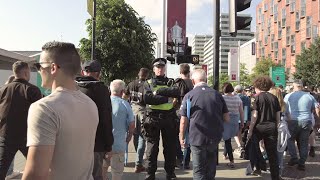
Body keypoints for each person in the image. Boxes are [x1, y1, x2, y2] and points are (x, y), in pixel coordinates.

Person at [22, 41, 99, 180]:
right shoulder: (91, 104)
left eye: (39, 66)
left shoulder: (44, 108)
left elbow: (36, 174)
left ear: (53, 68)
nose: (39, 71)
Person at [179, 69, 229, 180]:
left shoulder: (189, 96)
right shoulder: (217, 95)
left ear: (193, 81)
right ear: (206, 80)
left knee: (198, 170)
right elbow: (227, 118)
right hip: (214, 137)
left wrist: (181, 136)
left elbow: (183, 120)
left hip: (196, 137)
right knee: (210, 170)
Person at [0, 61, 42, 179]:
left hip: (5, 136)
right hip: (27, 138)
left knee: (1, 170)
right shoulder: (33, 90)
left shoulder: (3, 89)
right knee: (37, 168)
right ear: (25, 72)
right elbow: (39, 116)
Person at [75, 60, 114, 180]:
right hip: (96, 143)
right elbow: (106, 119)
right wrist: (109, 145)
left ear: (83, 72)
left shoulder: (73, 88)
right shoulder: (102, 90)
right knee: (95, 175)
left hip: (74, 143)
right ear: (99, 74)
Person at [142, 58, 180, 180]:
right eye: (157, 67)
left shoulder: (170, 81)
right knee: (152, 149)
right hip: (153, 118)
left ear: (165, 68)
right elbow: (148, 99)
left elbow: (176, 91)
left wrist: (158, 91)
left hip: (169, 118)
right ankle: (150, 174)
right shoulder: (148, 82)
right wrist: (167, 98)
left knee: (170, 148)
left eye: (162, 67)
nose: (160, 69)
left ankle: (170, 173)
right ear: (153, 69)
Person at [248, 76, 281, 179]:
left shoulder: (256, 98)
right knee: (272, 154)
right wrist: (277, 126)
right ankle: (275, 176)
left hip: (259, 127)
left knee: (255, 148)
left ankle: (259, 166)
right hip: (271, 127)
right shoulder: (274, 98)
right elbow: (278, 115)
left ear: (257, 86)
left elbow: (255, 115)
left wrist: (250, 129)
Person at [284, 79, 320, 171]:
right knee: (304, 142)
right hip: (306, 120)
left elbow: (284, 109)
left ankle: (294, 157)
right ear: (302, 86)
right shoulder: (309, 97)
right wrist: (317, 120)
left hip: (292, 120)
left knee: (290, 139)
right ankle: (302, 163)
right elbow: (316, 109)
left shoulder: (288, 96)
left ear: (294, 86)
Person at [103, 80, 135, 180]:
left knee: (102, 170)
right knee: (117, 172)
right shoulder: (125, 105)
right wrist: (129, 136)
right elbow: (132, 124)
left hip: (103, 145)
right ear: (122, 92)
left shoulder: (103, 103)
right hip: (118, 144)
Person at [124, 68, 150, 173]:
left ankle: (138, 157)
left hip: (132, 111)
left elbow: (125, 97)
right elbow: (149, 100)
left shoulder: (131, 84)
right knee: (142, 137)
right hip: (142, 112)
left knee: (135, 135)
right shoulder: (147, 85)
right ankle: (138, 163)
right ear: (146, 75)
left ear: (138, 74)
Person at [174, 63, 193, 169]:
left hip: (178, 113)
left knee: (177, 137)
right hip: (192, 114)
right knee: (189, 138)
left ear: (180, 72)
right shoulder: (193, 83)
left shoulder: (178, 83)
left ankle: (179, 158)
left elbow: (175, 99)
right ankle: (186, 161)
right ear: (189, 72)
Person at [222, 83, 244, 168]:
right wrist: (242, 122)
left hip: (225, 119)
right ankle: (225, 154)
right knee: (228, 138)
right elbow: (241, 111)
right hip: (235, 120)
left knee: (227, 139)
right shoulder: (237, 98)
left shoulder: (223, 98)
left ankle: (231, 161)